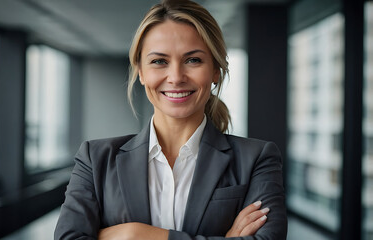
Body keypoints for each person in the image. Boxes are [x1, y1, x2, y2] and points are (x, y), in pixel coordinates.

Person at [54, 0, 287, 239]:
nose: (176, 77)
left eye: (193, 60)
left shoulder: (257, 159)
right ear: (141, 72)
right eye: (159, 61)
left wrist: (134, 234)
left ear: (215, 70)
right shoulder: (95, 159)